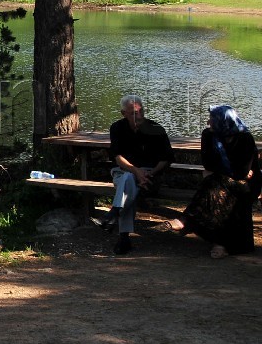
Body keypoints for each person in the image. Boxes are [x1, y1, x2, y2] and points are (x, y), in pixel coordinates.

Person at [170, 105, 261, 258]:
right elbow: (208, 163)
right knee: (218, 189)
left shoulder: (244, 138)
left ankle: (188, 219)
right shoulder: (208, 135)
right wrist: (230, 171)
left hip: (248, 185)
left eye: (212, 119)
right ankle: (222, 243)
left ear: (223, 121)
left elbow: (242, 172)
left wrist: (223, 171)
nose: (208, 122)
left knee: (214, 182)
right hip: (223, 182)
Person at [103, 94, 173, 255]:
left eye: (141, 111)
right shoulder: (117, 128)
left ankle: (119, 228)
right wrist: (136, 171)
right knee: (128, 178)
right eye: (134, 113)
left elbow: (167, 159)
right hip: (124, 172)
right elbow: (117, 157)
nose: (139, 115)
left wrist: (149, 173)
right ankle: (120, 230)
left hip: (151, 176)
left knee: (128, 183)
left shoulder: (156, 129)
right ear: (123, 113)